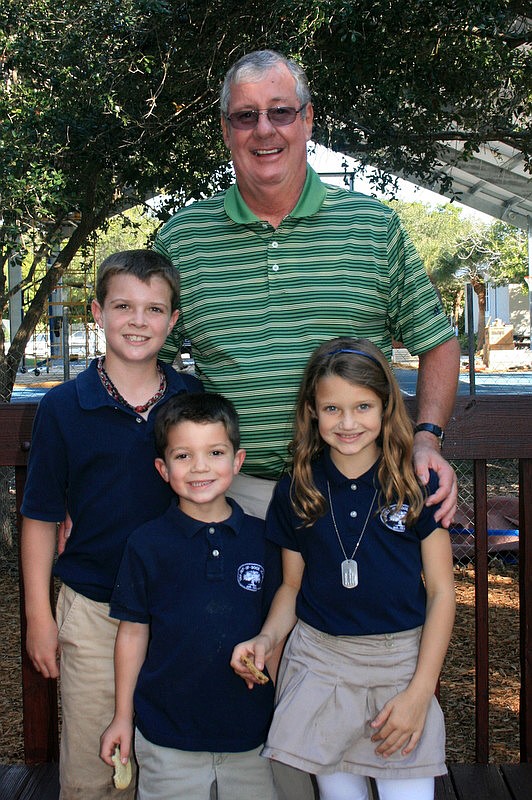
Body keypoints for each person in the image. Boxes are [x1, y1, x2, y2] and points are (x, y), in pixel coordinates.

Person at [154, 49, 460, 531]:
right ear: (225, 129)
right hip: (229, 502)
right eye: (245, 116)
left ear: (307, 119)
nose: (264, 129)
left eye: (280, 111)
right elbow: (145, 368)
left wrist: (427, 439)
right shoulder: (182, 239)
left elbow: (438, 343)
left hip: (357, 494)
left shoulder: (373, 227)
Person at [231, 337, 456, 800]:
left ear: (386, 406)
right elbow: (292, 586)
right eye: (332, 409)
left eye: (363, 407)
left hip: (400, 670)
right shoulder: (299, 487)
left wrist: (420, 693)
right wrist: (267, 638)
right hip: (321, 667)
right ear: (312, 410)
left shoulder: (416, 482)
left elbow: (441, 592)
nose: (348, 423)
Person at [20, 250, 202, 800]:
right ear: (97, 312)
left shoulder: (193, 399)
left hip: (178, 608)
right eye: (124, 306)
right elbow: (42, 516)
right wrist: (37, 616)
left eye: (154, 309)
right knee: (96, 763)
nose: (138, 321)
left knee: (173, 759)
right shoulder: (64, 408)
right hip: (94, 609)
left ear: (173, 321)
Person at [99, 392, 280, 800]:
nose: (200, 467)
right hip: (166, 738)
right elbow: (132, 635)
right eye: (183, 456)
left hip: (251, 737)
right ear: (163, 469)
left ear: (237, 461)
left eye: (215, 452)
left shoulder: (263, 539)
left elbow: (278, 629)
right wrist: (122, 717)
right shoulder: (146, 545)